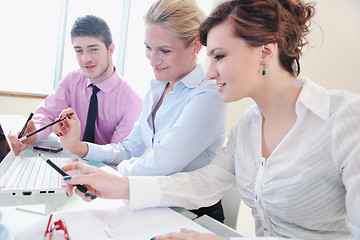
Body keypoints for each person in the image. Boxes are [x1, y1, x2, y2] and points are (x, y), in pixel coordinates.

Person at [61, 0, 360, 239]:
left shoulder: (346, 119)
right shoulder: (248, 127)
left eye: (219, 56)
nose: (208, 72)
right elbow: (204, 182)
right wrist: (117, 185)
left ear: (265, 52)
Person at [54, 0, 227, 223]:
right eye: (148, 47)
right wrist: (80, 148)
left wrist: (111, 175)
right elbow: (129, 148)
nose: (153, 60)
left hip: (192, 215)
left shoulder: (208, 96)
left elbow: (160, 165)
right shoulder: (157, 89)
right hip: (155, 204)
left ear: (195, 46)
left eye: (165, 50)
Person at [8, 15, 142, 156]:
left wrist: (79, 149)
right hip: (72, 162)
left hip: (104, 172)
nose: (86, 59)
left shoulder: (132, 102)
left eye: (93, 49)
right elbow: (47, 114)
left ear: (111, 49)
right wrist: (32, 134)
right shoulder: (72, 80)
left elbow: (118, 154)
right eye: (79, 50)